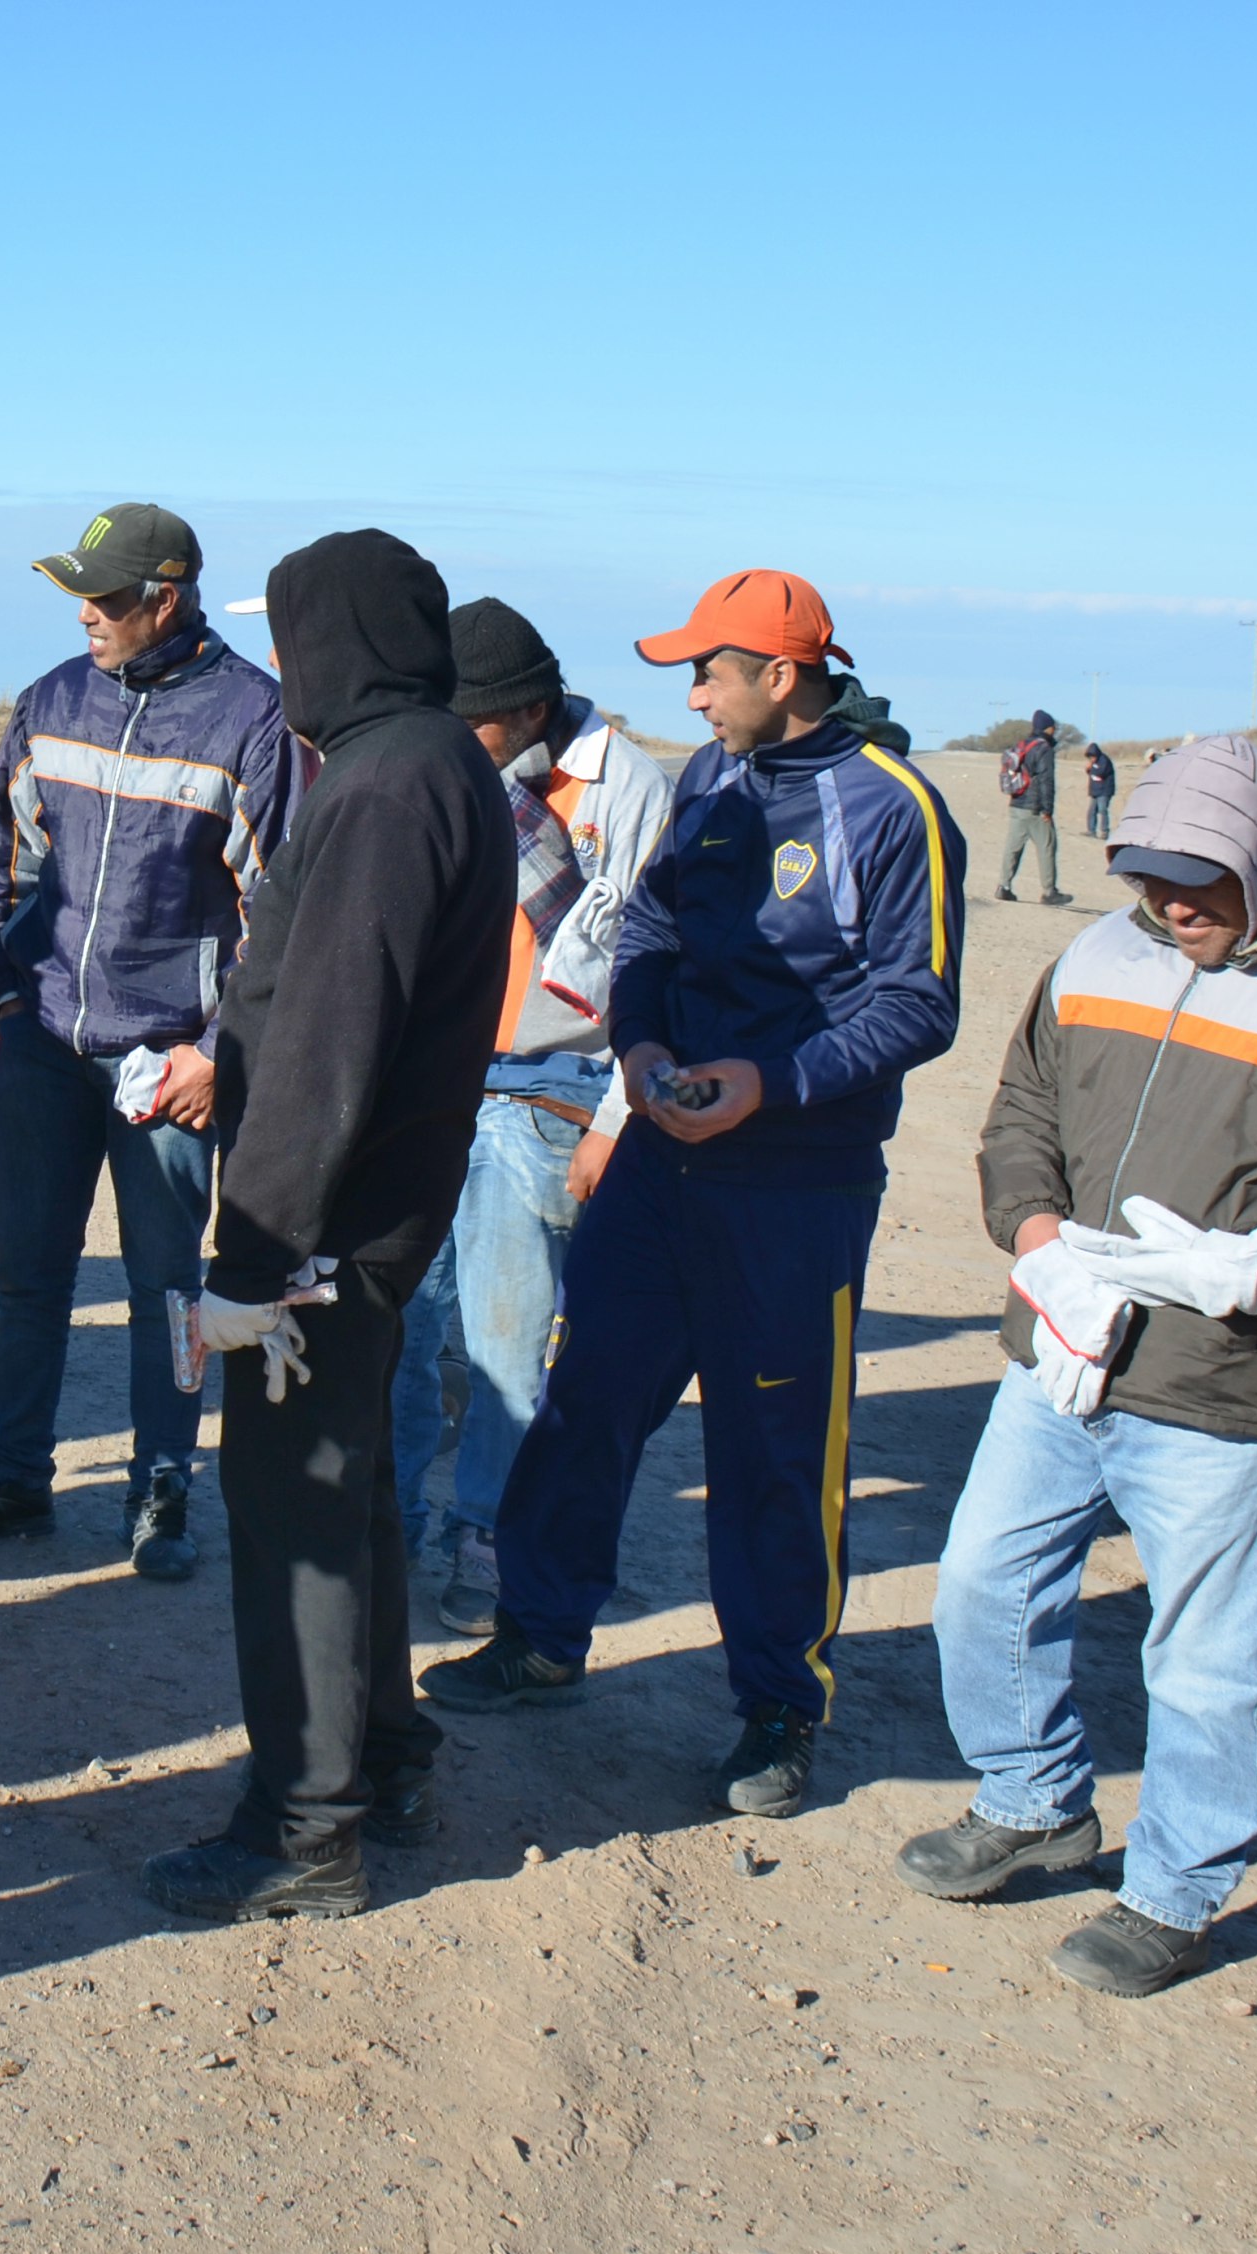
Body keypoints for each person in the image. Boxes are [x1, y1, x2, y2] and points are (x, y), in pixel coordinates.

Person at [895, 732, 1257, 1995]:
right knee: (980, 1587)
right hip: (1056, 1354)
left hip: (1224, 1384)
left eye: (1198, 879)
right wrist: (1034, 1242)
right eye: (1147, 875)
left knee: (1207, 1658)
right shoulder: (1093, 957)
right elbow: (1022, 1114)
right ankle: (1032, 1797)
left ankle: (1172, 1890)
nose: (1169, 904)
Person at [423, 569, 968, 1823]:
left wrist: (766, 1083)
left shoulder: (892, 810)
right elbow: (649, 935)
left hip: (793, 1186)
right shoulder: (713, 781)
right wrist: (641, 1054)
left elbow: (918, 1003)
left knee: (774, 1450)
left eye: (707, 671)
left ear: (781, 674)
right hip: (662, 1159)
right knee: (582, 1402)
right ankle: (540, 1637)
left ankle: (779, 1705)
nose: (691, 692)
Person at [140, 528, 513, 1923]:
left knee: (294, 1518)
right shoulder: (424, 764)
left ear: (338, 640)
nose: (280, 667)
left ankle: (301, 1829)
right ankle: (387, 1758)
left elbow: (331, 1039)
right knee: (349, 1501)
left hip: (325, 1230)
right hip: (370, 1211)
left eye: (292, 639)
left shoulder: (383, 784)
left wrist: (250, 1252)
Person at [0, 503, 296, 1578]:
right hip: (43, 1052)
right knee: (26, 1278)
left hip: (166, 1066)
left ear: (163, 599)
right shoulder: (50, 699)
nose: (84, 613)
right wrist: (11, 996)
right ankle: (14, 1474)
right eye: (78, 593)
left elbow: (276, 911)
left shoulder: (250, 720)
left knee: (166, 1289)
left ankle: (161, 1486)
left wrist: (215, 1049)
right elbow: (6, 861)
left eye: (104, 596)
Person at [391, 599, 673, 1638]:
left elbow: (650, 965)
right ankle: (388, 1523)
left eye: (474, 725)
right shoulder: (451, 770)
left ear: (530, 708)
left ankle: (483, 1534)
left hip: (551, 1088)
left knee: (506, 1342)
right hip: (439, 1076)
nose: (456, 741)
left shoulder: (626, 787)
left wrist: (611, 1119)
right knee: (403, 1321)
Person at [995, 708, 1066, 904]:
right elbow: (1046, 780)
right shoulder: (1043, 748)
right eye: (1053, 727)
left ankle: (1004, 886)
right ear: (1048, 728)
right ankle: (1049, 891)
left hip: (1017, 803)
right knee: (1046, 847)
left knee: (1013, 847)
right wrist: (1047, 809)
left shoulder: (1022, 745)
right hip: (1034, 807)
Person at [1084, 742, 1116, 838]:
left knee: (1102, 810)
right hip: (1096, 790)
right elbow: (1091, 774)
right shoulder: (1093, 763)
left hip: (1105, 791)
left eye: (1092, 756)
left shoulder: (1104, 760)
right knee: (1091, 811)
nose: (1091, 759)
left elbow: (1101, 772)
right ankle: (1091, 830)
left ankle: (1104, 832)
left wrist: (1091, 768)